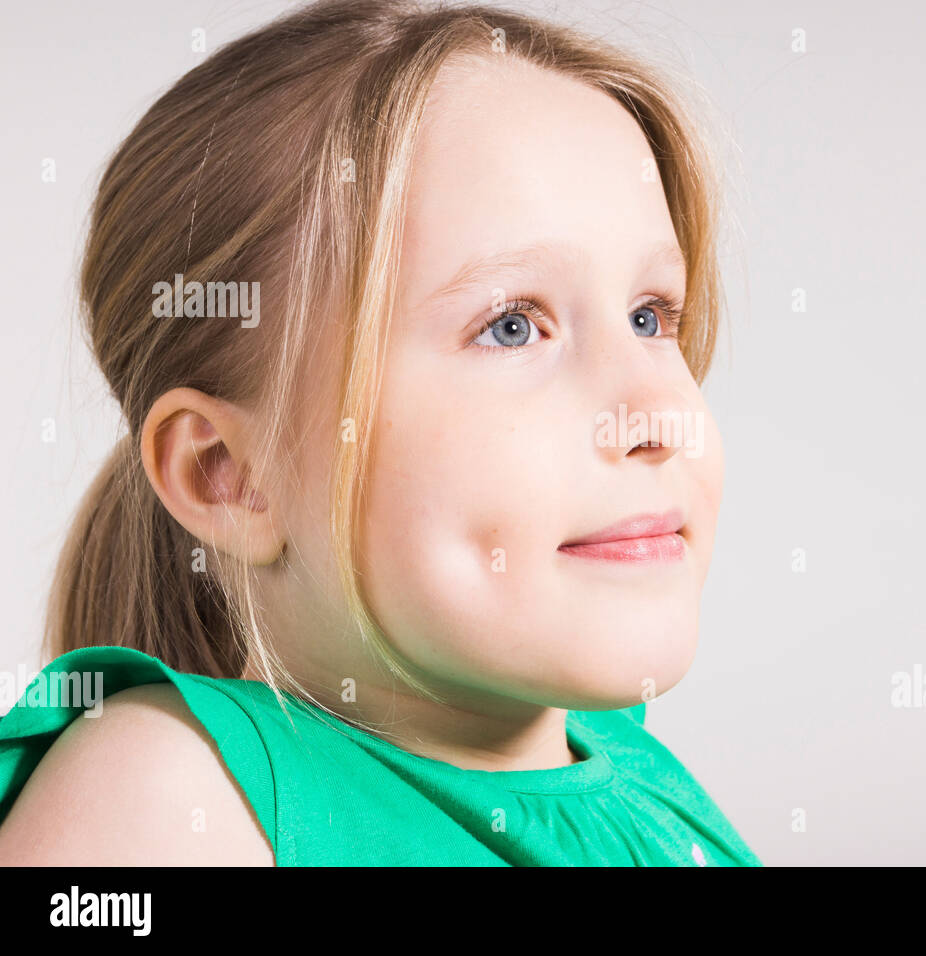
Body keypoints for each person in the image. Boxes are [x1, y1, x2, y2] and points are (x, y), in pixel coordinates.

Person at [0, 0, 760, 866]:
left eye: (650, 316)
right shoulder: (170, 799)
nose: (655, 412)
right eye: (512, 325)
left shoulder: (638, 778)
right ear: (230, 476)